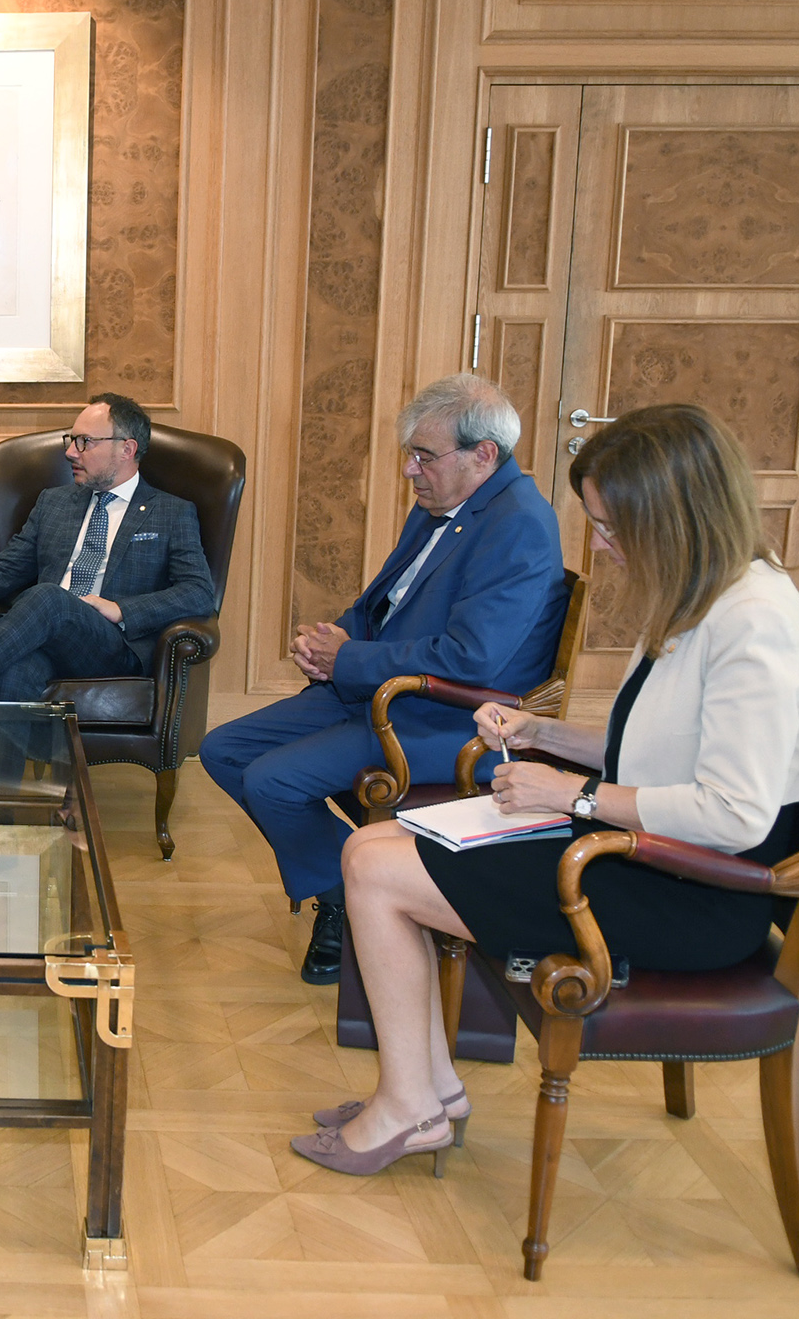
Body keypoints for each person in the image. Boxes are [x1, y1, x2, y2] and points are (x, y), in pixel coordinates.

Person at [295, 403, 799, 1177]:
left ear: (673, 517)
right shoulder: (700, 592)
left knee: (375, 871)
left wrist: (569, 796)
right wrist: (548, 736)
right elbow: (658, 749)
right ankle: (427, 1090)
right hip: (643, 853)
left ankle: (414, 1104)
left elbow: (733, 814)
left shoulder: (755, 622)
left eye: (611, 528)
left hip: (695, 894)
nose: (601, 549)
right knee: (373, 846)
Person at [199, 375, 567, 984]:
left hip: (449, 716)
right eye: (409, 455)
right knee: (223, 748)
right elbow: (381, 607)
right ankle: (347, 883)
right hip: (381, 691)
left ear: (484, 455)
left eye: (424, 456)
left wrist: (349, 661)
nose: (409, 471)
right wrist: (327, 645)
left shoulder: (519, 524)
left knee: (272, 781)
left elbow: (470, 657)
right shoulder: (442, 507)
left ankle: (343, 899)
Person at [0, 394, 217, 780]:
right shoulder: (55, 502)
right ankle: (6, 817)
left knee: (47, 597)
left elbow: (197, 592)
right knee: (14, 671)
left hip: (112, 645)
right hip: (41, 637)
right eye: (70, 441)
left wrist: (121, 610)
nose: (72, 452)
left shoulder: (171, 511)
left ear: (127, 449)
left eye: (85, 442)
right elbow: (8, 567)